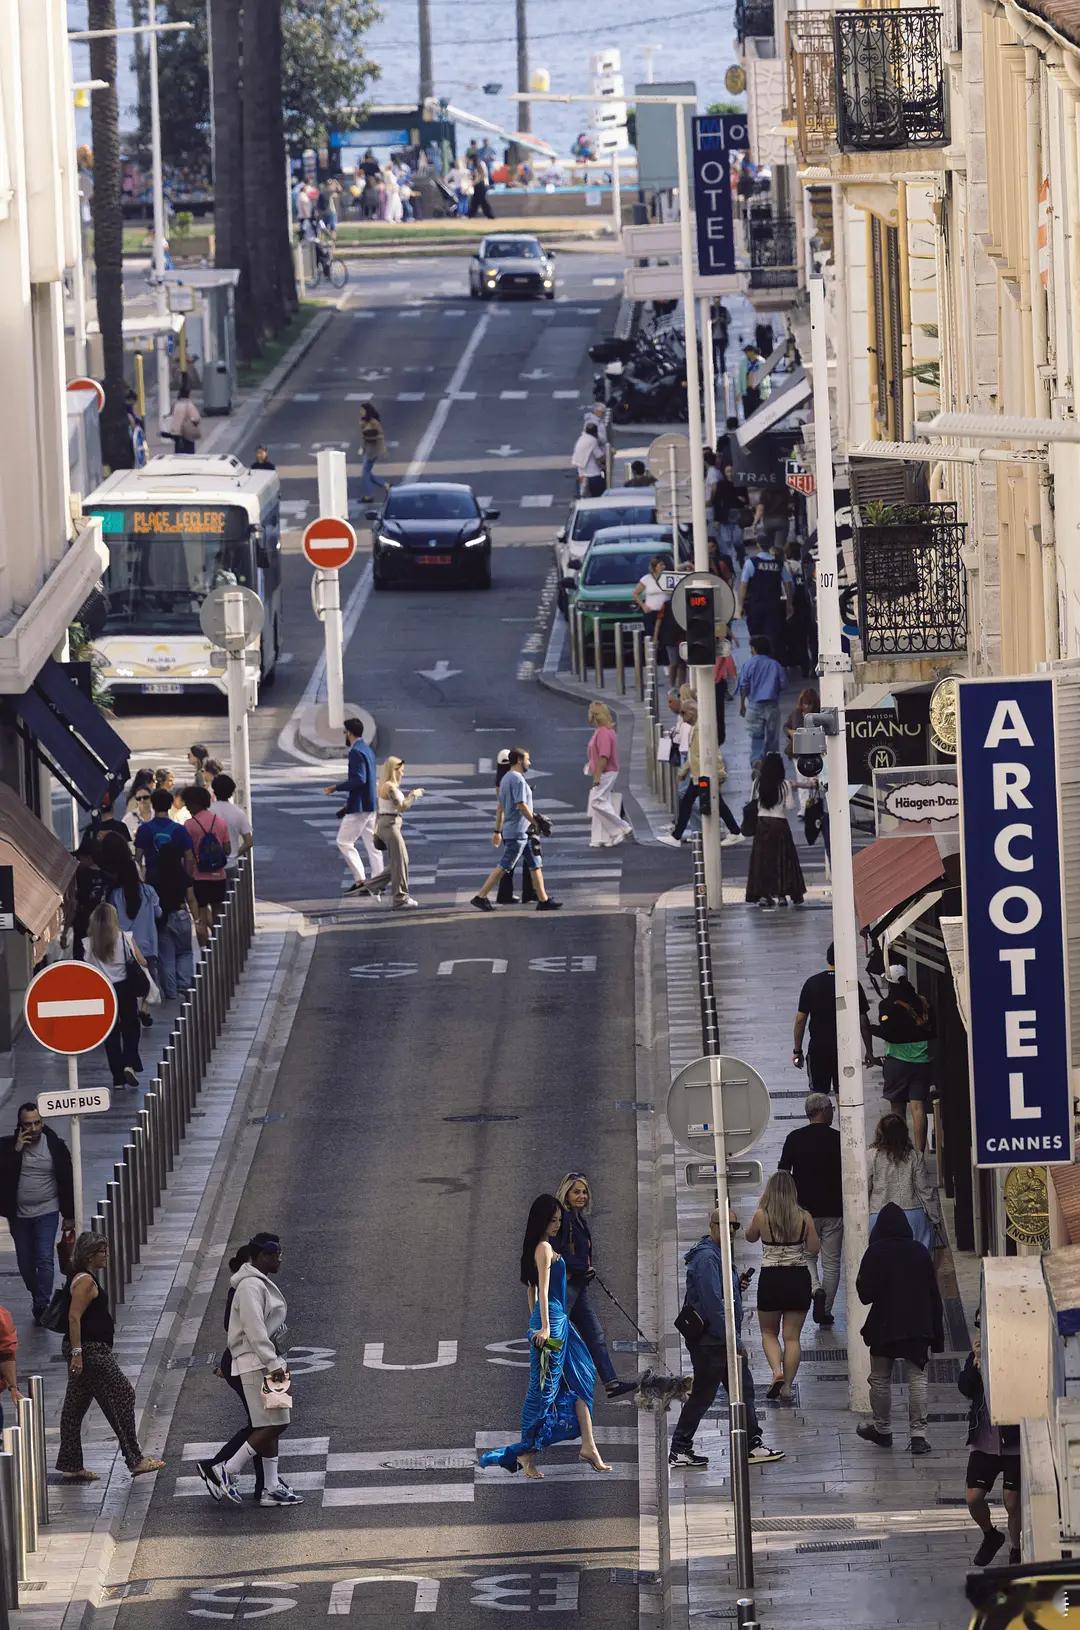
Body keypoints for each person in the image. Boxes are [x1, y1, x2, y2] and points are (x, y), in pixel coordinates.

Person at [479, 1194, 610, 1478]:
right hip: (553, 1321)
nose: (557, 1225)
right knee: (544, 1390)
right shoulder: (544, 1249)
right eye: (553, 1220)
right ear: (541, 1221)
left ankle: (588, 1445)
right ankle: (524, 1454)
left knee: (582, 1376)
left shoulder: (542, 1248)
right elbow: (542, 1288)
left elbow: (531, 1291)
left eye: (559, 1221)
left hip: (554, 1318)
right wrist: (545, 1327)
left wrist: (536, 1320)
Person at [669, 1208, 784, 1469]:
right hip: (714, 1341)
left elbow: (720, 1295)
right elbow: (713, 1304)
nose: (731, 1230)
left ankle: (752, 1443)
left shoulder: (716, 1254)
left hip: (719, 1338)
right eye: (725, 1224)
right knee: (704, 1395)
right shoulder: (708, 1258)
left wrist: (736, 1284)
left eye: (734, 1225)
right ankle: (679, 1448)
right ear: (712, 1225)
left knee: (743, 1391)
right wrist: (735, 1341)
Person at [197, 1233, 301, 1506]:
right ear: (257, 1257)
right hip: (260, 1363)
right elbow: (255, 1331)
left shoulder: (257, 1283)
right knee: (275, 1423)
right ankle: (227, 1469)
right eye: (271, 1254)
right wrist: (273, 1363)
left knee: (275, 1423)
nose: (277, 1258)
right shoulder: (249, 1286)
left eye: (278, 1253)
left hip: (268, 1361)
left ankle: (270, 1487)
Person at [56, 1233, 164, 1481]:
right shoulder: (85, 1282)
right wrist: (77, 1354)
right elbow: (74, 1317)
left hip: (88, 1350)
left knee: (75, 1406)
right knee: (123, 1394)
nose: (107, 1256)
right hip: (91, 1351)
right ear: (90, 1254)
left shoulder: (83, 1278)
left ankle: (71, 1464)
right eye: (103, 1251)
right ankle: (135, 1459)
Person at [855, 1203, 943, 1454]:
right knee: (918, 1379)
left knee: (880, 1379)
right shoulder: (919, 1252)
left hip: (884, 1325)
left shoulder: (875, 1252)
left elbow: (864, 1295)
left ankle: (882, 1429)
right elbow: (933, 1295)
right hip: (918, 1326)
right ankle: (918, 1435)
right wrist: (937, 1337)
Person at [553, 1174, 636, 1399]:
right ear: (566, 1194)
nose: (582, 1196)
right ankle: (552, 1386)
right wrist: (582, 1267)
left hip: (578, 1287)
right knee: (559, 1338)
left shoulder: (578, 1219)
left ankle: (611, 1382)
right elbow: (555, 1254)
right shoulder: (564, 1220)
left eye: (584, 1192)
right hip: (566, 1287)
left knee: (594, 1334)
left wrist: (586, 1269)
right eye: (576, 1192)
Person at [745, 1170, 818, 1403]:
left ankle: (776, 1371)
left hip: (771, 1279)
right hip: (797, 1278)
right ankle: (787, 1387)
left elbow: (749, 1237)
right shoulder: (804, 1217)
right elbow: (814, 1248)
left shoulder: (761, 1215)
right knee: (792, 1338)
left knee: (768, 1332)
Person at [0, 1105, 75, 1323]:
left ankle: (43, 1305)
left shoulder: (54, 1146)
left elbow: (67, 1179)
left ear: (42, 1122)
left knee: (44, 1257)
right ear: (20, 1125)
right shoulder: (8, 1147)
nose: (33, 1128)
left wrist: (69, 1215)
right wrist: (16, 1151)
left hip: (47, 1210)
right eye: (27, 1124)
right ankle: (37, 1295)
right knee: (25, 1262)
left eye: (37, 1123)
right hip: (19, 1215)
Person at [779, 1094, 843, 1328]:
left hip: (804, 1211)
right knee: (832, 1262)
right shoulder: (839, 1139)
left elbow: (783, 1172)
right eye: (831, 1109)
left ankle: (815, 1288)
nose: (833, 1112)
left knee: (807, 1256)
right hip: (835, 1210)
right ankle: (824, 1311)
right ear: (824, 1111)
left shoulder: (794, 1139)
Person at [959, 1325, 1022, 1565]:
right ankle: (990, 1534)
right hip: (984, 1440)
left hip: (1013, 1440)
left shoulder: (1015, 1354)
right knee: (973, 1497)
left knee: (1012, 1500)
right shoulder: (976, 1357)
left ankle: (1015, 1548)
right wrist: (976, 1362)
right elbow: (965, 1388)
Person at [471, 748, 562, 913]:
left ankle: (543, 900)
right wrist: (535, 821)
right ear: (519, 760)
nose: (529, 762)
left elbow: (502, 806)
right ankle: (481, 896)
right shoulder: (518, 780)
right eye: (527, 759)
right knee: (504, 866)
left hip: (522, 831)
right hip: (517, 831)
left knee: (535, 864)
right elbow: (521, 805)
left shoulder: (506, 778)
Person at [81, 903, 150, 1088]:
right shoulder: (123, 938)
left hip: (102, 990)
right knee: (131, 1027)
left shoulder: (88, 944)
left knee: (110, 1035)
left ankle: (117, 1078)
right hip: (125, 988)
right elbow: (141, 960)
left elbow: (85, 970)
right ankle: (129, 1063)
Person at [792, 942, 873, 1094]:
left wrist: (797, 1051)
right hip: (845, 1047)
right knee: (844, 1094)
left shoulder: (812, 983)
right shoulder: (852, 985)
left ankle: (820, 1118)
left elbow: (800, 1020)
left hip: (818, 1048)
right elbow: (863, 1021)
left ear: (828, 959)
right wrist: (869, 1051)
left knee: (818, 1094)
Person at [873, 964, 935, 1153]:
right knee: (918, 1108)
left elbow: (888, 1033)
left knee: (897, 1110)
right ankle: (919, 1155)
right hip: (922, 1061)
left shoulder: (887, 1005)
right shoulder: (922, 1001)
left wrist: (872, 1029)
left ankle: (899, 1151)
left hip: (897, 1062)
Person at [99, 832, 160, 1015]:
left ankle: (132, 1008)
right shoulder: (149, 892)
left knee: (128, 979)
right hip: (148, 944)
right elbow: (158, 913)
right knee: (148, 975)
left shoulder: (116, 895)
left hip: (125, 946)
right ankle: (145, 1008)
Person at [868, 1114, 939, 1252]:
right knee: (918, 1258)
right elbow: (924, 1189)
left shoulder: (872, 1156)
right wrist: (934, 1217)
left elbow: (866, 1189)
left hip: (878, 1214)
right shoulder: (914, 1156)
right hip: (912, 1214)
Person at [325, 717, 379, 895]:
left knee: (344, 841)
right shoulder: (367, 749)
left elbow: (359, 779)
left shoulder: (355, 752)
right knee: (372, 845)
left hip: (360, 806)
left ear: (349, 732)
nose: (344, 736)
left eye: (344, 732)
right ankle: (379, 880)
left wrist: (336, 787)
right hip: (371, 803)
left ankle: (360, 879)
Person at [745, 752, 806, 909]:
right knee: (783, 860)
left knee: (763, 860)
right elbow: (791, 806)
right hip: (780, 824)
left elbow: (753, 802)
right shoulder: (784, 784)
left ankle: (764, 895)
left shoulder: (758, 783)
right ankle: (781, 895)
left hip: (762, 823)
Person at [366, 757, 423, 909]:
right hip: (390, 825)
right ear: (394, 770)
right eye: (401, 770)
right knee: (401, 860)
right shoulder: (389, 787)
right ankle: (400, 898)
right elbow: (402, 807)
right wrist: (414, 795)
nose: (403, 774)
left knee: (399, 861)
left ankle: (372, 885)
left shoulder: (384, 785)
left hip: (388, 825)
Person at [184, 784, 231, 941]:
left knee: (202, 913)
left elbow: (188, 854)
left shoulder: (189, 825)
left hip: (200, 876)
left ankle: (204, 948)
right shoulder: (220, 822)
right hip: (219, 875)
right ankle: (220, 941)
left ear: (195, 803)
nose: (187, 807)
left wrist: (188, 875)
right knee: (218, 909)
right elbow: (227, 849)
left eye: (188, 803)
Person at [585, 702, 633, 849]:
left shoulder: (604, 732)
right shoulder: (604, 730)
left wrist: (597, 776)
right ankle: (606, 836)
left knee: (597, 802)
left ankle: (621, 827)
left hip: (606, 772)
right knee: (602, 803)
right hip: (606, 771)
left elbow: (604, 756)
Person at [154, 839, 197, 1000]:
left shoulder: (156, 877)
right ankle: (184, 984)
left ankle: (171, 991)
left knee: (167, 957)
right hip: (181, 915)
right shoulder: (183, 876)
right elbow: (191, 899)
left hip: (163, 918)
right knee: (185, 952)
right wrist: (197, 919)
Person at [736, 536, 792, 657]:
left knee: (756, 635)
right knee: (773, 636)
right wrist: (789, 604)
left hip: (755, 606)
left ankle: (757, 659)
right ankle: (771, 660)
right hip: (774, 606)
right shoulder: (778, 563)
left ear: (758, 545)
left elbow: (743, 585)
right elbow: (788, 584)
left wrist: (740, 606)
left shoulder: (751, 563)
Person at [495, 750, 536, 906]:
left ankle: (533, 893)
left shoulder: (504, 780)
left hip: (514, 826)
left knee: (530, 860)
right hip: (517, 826)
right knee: (508, 864)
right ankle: (485, 895)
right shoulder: (513, 779)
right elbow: (504, 807)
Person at [737, 635, 786, 764]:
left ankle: (756, 761)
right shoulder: (775, 665)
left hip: (754, 705)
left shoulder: (748, 664)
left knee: (756, 736)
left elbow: (744, 685)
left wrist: (742, 705)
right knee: (772, 737)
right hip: (772, 704)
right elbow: (783, 684)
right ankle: (772, 761)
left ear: (754, 648)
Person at [135, 787, 194, 886]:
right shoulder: (180, 830)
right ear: (170, 805)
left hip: (152, 879)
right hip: (176, 880)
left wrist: (140, 882)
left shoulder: (144, 829)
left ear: (153, 805)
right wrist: (187, 880)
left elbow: (138, 858)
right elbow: (189, 856)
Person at [632, 556, 673, 665]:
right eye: (660, 565)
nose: (663, 567)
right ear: (654, 567)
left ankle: (666, 662)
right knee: (651, 637)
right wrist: (643, 605)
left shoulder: (667, 578)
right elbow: (635, 593)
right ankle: (651, 660)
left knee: (665, 637)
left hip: (665, 612)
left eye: (664, 565)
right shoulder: (647, 579)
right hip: (651, 611)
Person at [209, 774, 253, 872]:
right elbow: (249, 842)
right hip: (231, 864)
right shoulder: (238, 812)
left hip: (210, 863)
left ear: (214, 791)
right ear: (232, 792)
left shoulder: (208, 811)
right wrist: (234, 854)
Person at [359, 402, 388, 500]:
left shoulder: (373, 422)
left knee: (365, 473)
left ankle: (369, 495)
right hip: (367, 450)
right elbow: (363, 437)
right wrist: (363, 448)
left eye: (362, 410)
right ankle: (385, 485)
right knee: (367, 473)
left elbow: (380, 436)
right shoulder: (363, 422)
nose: (361, 412)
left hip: (373, 451)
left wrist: (382, 450)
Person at [784, 686, 820, 762]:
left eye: (809, 704)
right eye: (804, 704)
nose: (806, 707)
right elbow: (786, 726)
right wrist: (790, 732)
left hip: (814, 751)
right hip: (797, 753)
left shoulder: (818, 715)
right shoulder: (796, 713)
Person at [572, 421, 605, 498]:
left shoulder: (581, 438)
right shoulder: (592, 440)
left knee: (582, 497)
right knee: (598, 496)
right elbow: (600, 456)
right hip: (593, 475)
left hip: (581, 473)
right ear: (595, 433)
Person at [166, 382, 201, 453]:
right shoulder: (189, 405)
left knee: (178, 453)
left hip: (175, 433)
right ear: (188, 394)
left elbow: (170, 415)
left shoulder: (176, 404)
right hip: (186, 434)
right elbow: (196, 418)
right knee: (189, 454)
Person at [122, 771, 154, 838]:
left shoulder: (156, 814)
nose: (142, 800)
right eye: (139, 798)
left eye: (145, 797)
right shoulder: (130, 815)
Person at [739, 343, 763, 416]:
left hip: (755, 389)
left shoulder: (759, 362)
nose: (745, 354)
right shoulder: (746, 362)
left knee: (755, 409)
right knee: (748, 410)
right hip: (748, 388)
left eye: (746, 352)